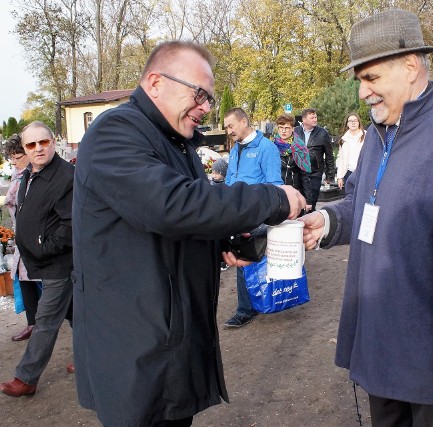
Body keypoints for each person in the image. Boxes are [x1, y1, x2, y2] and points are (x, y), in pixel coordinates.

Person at [71, 41, 306, 426]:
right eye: (199, 94)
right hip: (135, 351)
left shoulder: (174, 143)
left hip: (170, 343)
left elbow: (178, 223)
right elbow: (172, 205)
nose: (206, 107)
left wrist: (224, 242)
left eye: (209, 98)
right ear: (155, 82)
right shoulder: (114, 132)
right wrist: (273, 198)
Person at [300, 9, 433, 426]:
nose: (362, 93)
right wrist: (326, 223)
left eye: (371, 78)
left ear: (411, 66)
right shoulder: (380, 133)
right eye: (359, 80)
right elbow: (364, 204)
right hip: (381, 350)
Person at [0, 121, 75, 397]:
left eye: (43, 142)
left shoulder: (66, 175)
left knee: (45, 320)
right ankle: (87, 358)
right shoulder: (29, 173)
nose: (38, 148)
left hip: (59, 262)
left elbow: (71, 224)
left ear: (53, 142)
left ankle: (26, 378)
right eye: (31, 145)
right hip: (40, 260)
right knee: (76, 313)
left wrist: (45, 248)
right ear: (25, 149)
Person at [223, 107, 283, 328]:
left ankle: (247, 309)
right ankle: (248, 307)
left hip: (257, 214)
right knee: (244, 259)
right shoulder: (234, 150)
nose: (228, 131)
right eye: (226, 127)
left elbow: (274, 184)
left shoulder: (267, 148)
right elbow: (230, 181)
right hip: (238, 214)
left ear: (244, 121)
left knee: (250, 259)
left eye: (231, 126)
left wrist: (269, 214)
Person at [2, 135, 42, 342]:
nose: (15, 162)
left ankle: (71, 321)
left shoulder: (34, 175)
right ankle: (32, 322)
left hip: (37, 236)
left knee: (51, 284)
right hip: (22, 236)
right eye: (12, 158)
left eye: (17, 157)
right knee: (23, 277)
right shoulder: (18, 175)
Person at [294, 108, 335, 210]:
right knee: (298, 202)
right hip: (298, 172)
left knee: (311, 202)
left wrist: (329, 175)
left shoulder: (322, 133)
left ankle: (310, 221)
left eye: (315, 117)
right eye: (312, 117)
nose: (315, 119)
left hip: (314, 173)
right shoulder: (296, 131)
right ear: (304, 119)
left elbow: (329, 155)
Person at [272, 113, 312, 206]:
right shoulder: (271, 146)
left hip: (293, 191)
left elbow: (304, 176)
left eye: (287, 128)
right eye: (281, 127)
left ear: (292, 129)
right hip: (275, 192)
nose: (283, 131)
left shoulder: (299, 147)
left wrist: (308, 199)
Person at [336, 112, 366, 192]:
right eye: (350, 121)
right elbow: (341, 158)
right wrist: (339, 177)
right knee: (350, 198)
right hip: (348, 173)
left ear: (359, 123)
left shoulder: (366, 136)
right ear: (347, 124)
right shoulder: (343, 139)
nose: (353, 123)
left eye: (355, 120)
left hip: (363, 172)